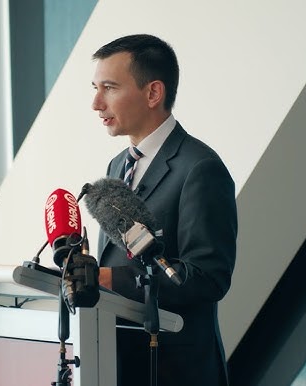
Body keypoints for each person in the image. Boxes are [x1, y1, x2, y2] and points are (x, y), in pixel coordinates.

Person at [91, 34, 238, 385]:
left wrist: (109, 279)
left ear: (153, 93)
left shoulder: (200, 168)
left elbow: (207, 277)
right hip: (122, 364)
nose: (97, 103)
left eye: (109, 88)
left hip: (176, 370)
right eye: (95, 88)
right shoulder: (117, 165)